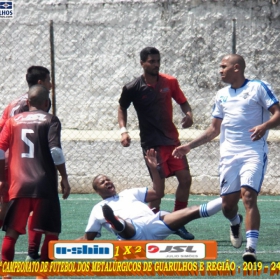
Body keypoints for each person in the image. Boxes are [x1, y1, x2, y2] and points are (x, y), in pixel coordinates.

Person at [172, 54, 280, 262]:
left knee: (248, 196)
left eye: (223, 67)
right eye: (219, 67)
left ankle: (251, 248)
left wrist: (264, 126)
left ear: (236, 68)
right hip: (229, 156)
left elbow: (278, 112)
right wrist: (189, 146)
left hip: (253, 152)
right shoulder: (221, 95)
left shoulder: (258, 87)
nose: (220, 70)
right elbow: (214, 129)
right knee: (227, 206)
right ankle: (235, 221)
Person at [118, 47, 194, 239]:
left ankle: (178, 221)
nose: (156, 64)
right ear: (142, 63)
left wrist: (188, 114)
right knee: (157, 191)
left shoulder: (170, 82)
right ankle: (150, 225)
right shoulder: (132, 87)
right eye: (151, 61)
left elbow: (183, 102)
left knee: (185, 179)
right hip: (152, 144)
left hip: (172, 141)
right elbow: (122, 107)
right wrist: (123, 131)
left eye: (157, 61)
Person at [81, 149, 222, 241]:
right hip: (132, 235)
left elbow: (158, 193)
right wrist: (60, 246)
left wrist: (154, 169)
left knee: (193, 210)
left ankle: (225, 198)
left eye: (107, 179)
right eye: (102, 182)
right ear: (97, 191)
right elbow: (88, 238)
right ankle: (115, 221)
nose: (106, 182)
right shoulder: (98, 208)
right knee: (122, 224)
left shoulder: (128, 193)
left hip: (154, 224)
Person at [0, 85, 71, 263]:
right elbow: (55, 151)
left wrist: (2, 178)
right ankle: (42, 275)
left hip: (19, 185)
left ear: (28, 101)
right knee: (51, 231)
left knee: (12, 232)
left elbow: (0, 151)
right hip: (44, 185)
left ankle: (6, 274)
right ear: (47, 102)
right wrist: (64, 177)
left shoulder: (13, 121)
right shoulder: (51, 120)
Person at [0, 65, 52, 262]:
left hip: (15, 161)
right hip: (14, 163)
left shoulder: (22, 101)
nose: (51, 83)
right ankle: (27, 257)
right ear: (40, 83)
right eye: (48, 80)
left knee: (27, 208)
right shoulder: (29, 106)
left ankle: (32, 253)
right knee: (10, 212)